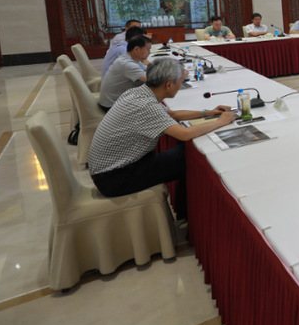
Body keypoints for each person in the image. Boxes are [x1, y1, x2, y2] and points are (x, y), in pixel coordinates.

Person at [87, 59, 237, 216]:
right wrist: (221, 122)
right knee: (191, 156)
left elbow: (172, 115)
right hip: (115, 179)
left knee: (183, 154)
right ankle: (191, 213)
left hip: (112, 170)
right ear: (169, 85)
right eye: (181, 81)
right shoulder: (146, 106)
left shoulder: (138, 93)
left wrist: (208, 113)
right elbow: (184, 134)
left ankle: (185, 211)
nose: (181, 85)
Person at [98, 35, 151, 110]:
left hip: (117, 100)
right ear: (137, 49)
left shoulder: (131, 58)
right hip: (112, 107)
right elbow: (151, 80)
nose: (149, 52)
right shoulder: (127, 64)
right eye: (148, 50)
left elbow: (147, 69)